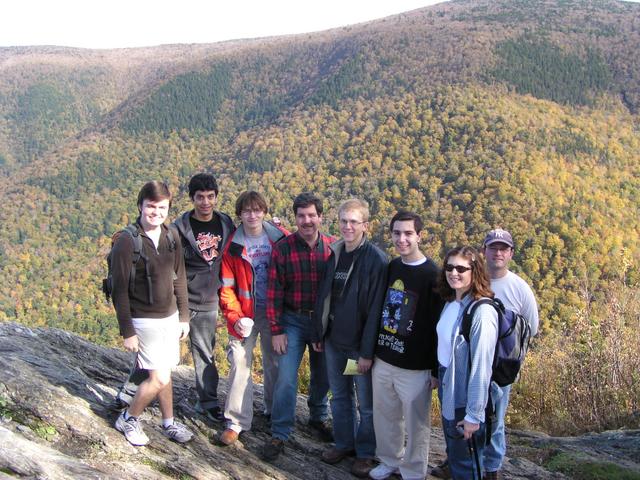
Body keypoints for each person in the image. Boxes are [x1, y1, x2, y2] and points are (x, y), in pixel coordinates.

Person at [115, 173, 234, 422]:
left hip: (209, 300)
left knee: (204, 353)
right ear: (192, 198)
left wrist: (275, 228)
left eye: (210, 197)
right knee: (155, 354)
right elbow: (167, 264)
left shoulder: (225, 223)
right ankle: (129, 392)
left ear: (216, 197)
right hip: (176, 301)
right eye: (200, 197)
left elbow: (244, 235)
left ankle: (208, 402)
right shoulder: (179, 228)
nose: (205, 202)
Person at [112, 181, 193, 446]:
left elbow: (180, 277)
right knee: (158, 377)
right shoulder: (127, 241)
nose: (156, 212)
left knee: (165, 372)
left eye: (162, 208)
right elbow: (119, 290)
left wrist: (183, 317)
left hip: (169, 317)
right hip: (143, 319)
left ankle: (168, 422)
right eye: (151, 206)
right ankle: (128, 418)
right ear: (140, 206)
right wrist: (128, 331)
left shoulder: (171, 236)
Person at [312, 199, 388, 478]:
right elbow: (324, 297)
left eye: (354, 222)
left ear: (365, 225)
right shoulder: (335, 252)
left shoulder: (375, 260)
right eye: (344, 221)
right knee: (340, 396)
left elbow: (376, 310)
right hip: (334, 341)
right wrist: (319, 332)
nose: (347, 226)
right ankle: (344, 444)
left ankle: (365, 453)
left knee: (366, 405)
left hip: (357, 347)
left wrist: (366, 352)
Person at [262, 192, 335, 462]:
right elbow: (274, 291)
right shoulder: (283, 248)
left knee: (322, 375)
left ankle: (318, 417)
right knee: (286, 378)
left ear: (320, 217)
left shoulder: (333, 248)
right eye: (301, 216)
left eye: (312, 215)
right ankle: (280, 431)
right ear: (295, 218)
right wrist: (276, 329)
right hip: (292, 320)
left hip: (322, 322)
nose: (307, 221)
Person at [369, 211, 443, 480]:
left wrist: (434, 369)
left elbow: (438, 325)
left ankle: (413, 471)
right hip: (385, 357)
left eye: (408, 233)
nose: (402, 239)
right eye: (397, 233)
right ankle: (389, 460)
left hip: (415, 366)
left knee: (416, 423)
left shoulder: (433, 275)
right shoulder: (392, 267)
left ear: (419, 236)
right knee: (385, 415)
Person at [218, 191, 288, 445]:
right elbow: (226, 288)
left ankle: (273, 412)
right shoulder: (233, 246)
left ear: (264, 212)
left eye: (257, 210)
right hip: (245, 315)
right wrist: (236, 317)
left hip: (274, 313)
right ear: (240, 214)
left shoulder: (280, 238)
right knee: (240, 362)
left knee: (275, 363)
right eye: (247, 211)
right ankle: (236, 422)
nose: (252, 215)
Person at [481, 228, 539, 480]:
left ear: (511, 253)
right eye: (493, 247)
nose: (498, 253)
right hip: (471, 362)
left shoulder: (519, 288)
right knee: (464, 415)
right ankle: (459, 461)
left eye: (503, 248)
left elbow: (531, 328)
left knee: (495, 420)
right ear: (484, 251)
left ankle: (491, 469)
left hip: (501, 367)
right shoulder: (472, 279)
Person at [436, 246, 498, 479]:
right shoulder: (452, 301)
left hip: (465, 395)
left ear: (475, 271)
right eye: (449, 267)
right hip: (448, 383)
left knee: (467, 462)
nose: (454, 273)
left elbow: (482, 368)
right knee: (455, 452)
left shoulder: (481, 312)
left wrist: (474, 415)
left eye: (461, 269)